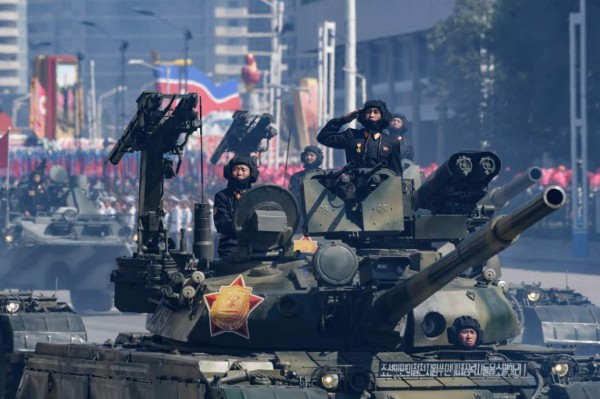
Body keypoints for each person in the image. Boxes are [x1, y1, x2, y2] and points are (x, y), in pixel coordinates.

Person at [316, 100, 403, 176]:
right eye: (368, 112)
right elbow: (323, 137)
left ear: (382, 116)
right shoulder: (351, 136)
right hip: (354, 188)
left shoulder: (392, 142)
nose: (371, 115)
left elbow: (397, 172)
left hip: (383, 189)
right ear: (363, 115)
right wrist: (343, 120)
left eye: (376, 112)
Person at [213, 156, 259, 258]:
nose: (239, 173)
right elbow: (222, 223)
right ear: (229, 172)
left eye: (243, 170)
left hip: (256, 246)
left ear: (251, 172)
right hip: (230, 246)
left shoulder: (257, 196)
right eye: (235, 169)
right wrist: (247, 226)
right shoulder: (222, 196)